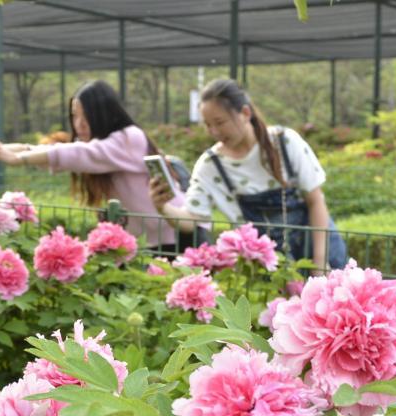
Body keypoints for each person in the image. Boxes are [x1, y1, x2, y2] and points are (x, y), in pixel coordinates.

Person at [149, 78, 347, 271]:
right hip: (266, 265)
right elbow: (192, 218)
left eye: (219, 122)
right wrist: (163, 207)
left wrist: (320, 264)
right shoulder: (211, 165)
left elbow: (315, 200)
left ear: (245, 113)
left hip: (320, 249)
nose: (214, 131)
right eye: (208, 125)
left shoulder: (284, 143)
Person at [0, 80, 189, 251]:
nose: (79, 124)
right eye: (75, 116)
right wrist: (0, 149)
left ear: (104, 115)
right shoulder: (95, 146)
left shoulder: (129, 138)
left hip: (175, 234)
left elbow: (77, 153)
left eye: (87, 116)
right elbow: (45, 150)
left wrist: (15, 159)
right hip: (144, 240)